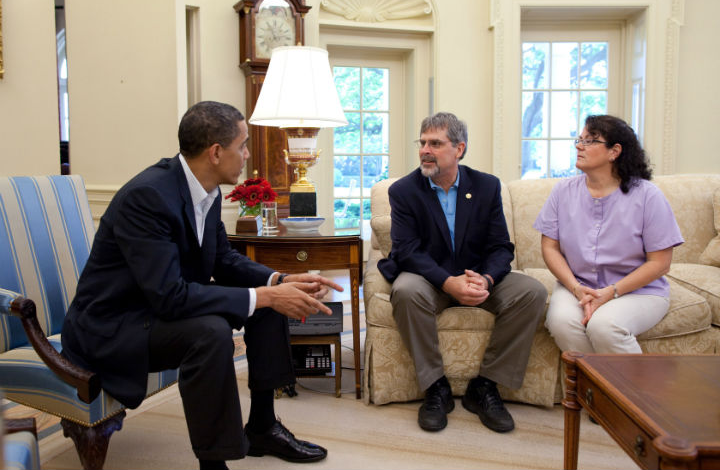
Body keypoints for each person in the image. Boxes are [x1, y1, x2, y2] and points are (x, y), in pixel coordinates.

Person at [61, 101, 342, 470]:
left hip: (156, 310)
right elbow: (171, 296)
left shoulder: (205, 191)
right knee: (210, 330)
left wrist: (280, 281)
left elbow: (223, 259)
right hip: (112, 327)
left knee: (270, 303)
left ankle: (263, 426)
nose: (246, 155)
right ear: (215, 153)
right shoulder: (147, 197)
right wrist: (265, 294)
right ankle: (215, 462)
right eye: (242, 146)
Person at [377, 112, 547, 433]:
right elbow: (406, 251)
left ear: (459, 149)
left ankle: (484, 387)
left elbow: (500, 247)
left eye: (436, 144)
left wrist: (486, 279)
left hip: (476, 276)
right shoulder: (404, 191)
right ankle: (436, 388)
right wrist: (448, 282)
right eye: (423, 143)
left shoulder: (485, 186)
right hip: (428, 279)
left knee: (532, 292)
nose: (426, 150)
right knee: (405, 290)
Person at [534, 114, 683, 355]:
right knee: (562, 323)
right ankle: (596, 391)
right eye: (579, 139)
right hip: (577, 286)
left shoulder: (648, 196)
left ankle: (633, 393)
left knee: (604, 326)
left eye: (590, 141)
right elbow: (550, 247)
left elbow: (660, 263)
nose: (579, 146)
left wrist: (612, 292)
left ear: (614, 151)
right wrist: (575, 288)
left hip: (637, 291)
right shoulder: (563, 191)